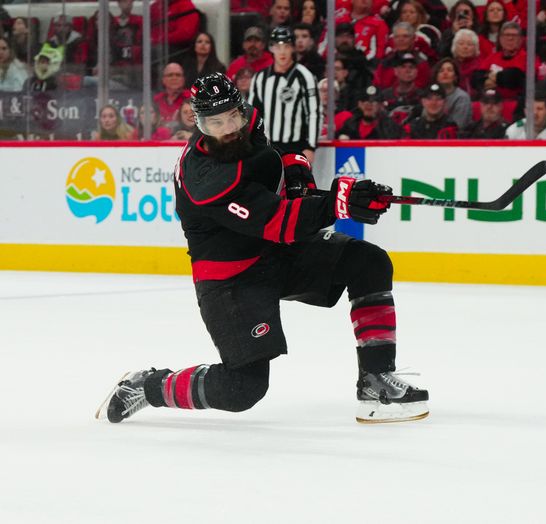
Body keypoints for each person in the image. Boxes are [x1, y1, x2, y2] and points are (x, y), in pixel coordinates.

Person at [96, 73, 428, 425]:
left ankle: (375, 381)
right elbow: (278, 222)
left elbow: (271, 157)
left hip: (274, 253)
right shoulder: (206, 179)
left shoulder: (246, 124)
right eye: (216, 122)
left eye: (233, 117)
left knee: (367, 261)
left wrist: (294, 165)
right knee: (242, 388)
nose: (228, 128)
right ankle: (147, 387)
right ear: (199, 123)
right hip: (233, 279)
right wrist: (340, 203)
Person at [249, 26, 320, 161]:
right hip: (268, 145)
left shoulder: (304, 76)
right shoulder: (260, 78)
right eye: (278, 46)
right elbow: (253, 113)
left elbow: (313, 112)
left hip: (296, 145)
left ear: (293, 48)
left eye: (286, 46)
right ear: (271, 48)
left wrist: (311, 146)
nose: (282, 52)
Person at [474, 21, 533, 100]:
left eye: (514, 35)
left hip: (518, 102)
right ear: (500, 39)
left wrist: (494, 77)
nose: (510, 38)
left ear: (521, 39)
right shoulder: (492, 57)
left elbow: (519, 79)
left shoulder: (529, 58)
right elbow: (477, 78)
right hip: (492, 101)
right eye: (506, 35)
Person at [337, 85, 404, 139]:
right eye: (364, 100)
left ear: (381, 105)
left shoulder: (390, 128)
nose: (368, 104)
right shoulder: (350, 125)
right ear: (359, 104)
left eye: (373, 101)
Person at [381, 52, 424, 124]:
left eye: (411, 67)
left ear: (416, 72)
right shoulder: (384, 95)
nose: (408, 70)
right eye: (403, 66)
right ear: (396, 71)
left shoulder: (423, 96)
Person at [432, 57, 471, 129]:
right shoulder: (430, 96)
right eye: (441, 71)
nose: (445, 73)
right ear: (436, 77)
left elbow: (458, 126)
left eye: (449, 70)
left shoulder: (462, 97)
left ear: (455, 77)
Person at [451, 28, 482, 99]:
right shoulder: (449, 66)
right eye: (461, 43)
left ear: (476, 48)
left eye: (469, 44)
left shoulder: (481, 66)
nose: (465, 47)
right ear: (454, 47)